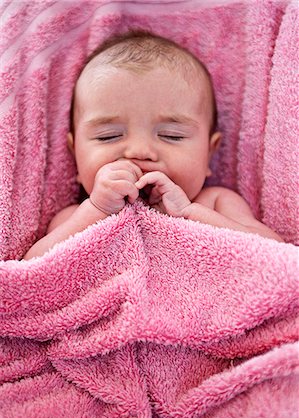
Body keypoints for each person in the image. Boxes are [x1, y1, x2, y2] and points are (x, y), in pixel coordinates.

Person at [24, 31, 283, 259]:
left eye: (171, 135)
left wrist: (189, 213)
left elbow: (274, 251)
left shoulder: (215, 202)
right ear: (75, 156)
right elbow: (34, 268)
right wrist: (97, 210)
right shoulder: (77, 216)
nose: (139, 151)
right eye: (108, 136)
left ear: (209, 153)